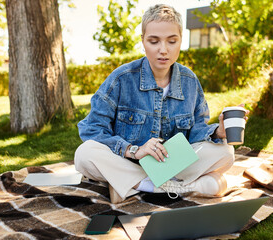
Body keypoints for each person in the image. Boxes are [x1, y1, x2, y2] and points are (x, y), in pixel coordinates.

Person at [74, 4, 247, 204]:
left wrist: (218, 133)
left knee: (226, 152)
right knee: (84, 154)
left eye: (171, 41)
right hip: (129, 162)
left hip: (171, 164)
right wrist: (133, 150)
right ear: (143, 41)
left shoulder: (190, 81)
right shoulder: (121, 78)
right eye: (154, 41)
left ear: (181, 40)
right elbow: (92, 129)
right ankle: (179, 187)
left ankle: (137, 186)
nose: (163, 50)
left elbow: (196, 132)